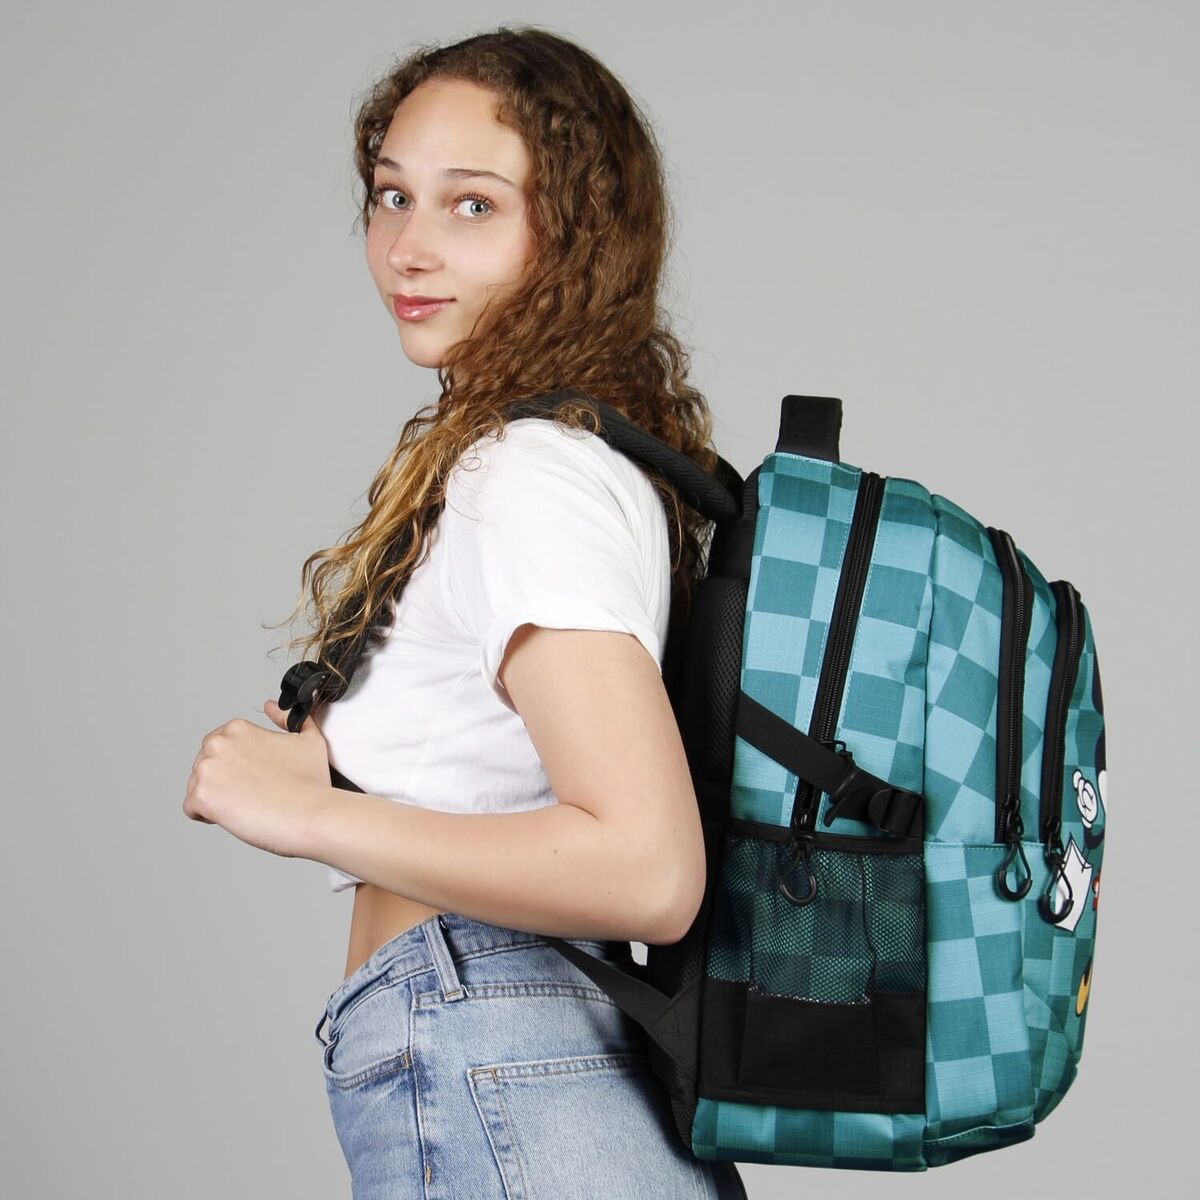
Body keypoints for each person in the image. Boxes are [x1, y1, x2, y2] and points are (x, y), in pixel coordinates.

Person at [184, 24, 746, 1200]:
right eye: (393, 195)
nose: (410, 245)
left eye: (473, 205)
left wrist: (312, 816)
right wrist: (339, 767)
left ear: (573, 234)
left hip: (497, 1051)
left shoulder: (529, 475)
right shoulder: (561, 457)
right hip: (521, 1059)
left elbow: (648, 870)